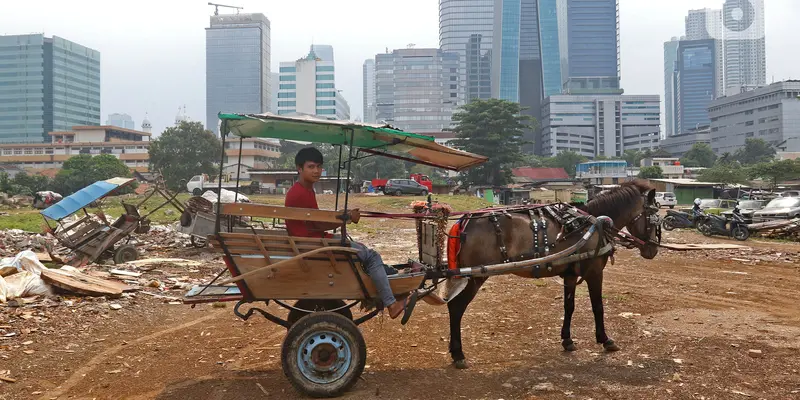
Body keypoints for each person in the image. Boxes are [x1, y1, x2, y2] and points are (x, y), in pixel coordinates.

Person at [284, 147, 416, 321]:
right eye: (311, 167)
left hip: (311, 242)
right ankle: (391, 304)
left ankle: (379, 291)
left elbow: (314, 222)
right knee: (372, 257)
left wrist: (341, 216)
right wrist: (345, 217)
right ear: (299, 169)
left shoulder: (304, 189)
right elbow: (317, 223)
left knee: (361, 248)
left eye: (319, 166)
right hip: (313, 245)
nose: (316, 171)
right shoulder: (300, 193)